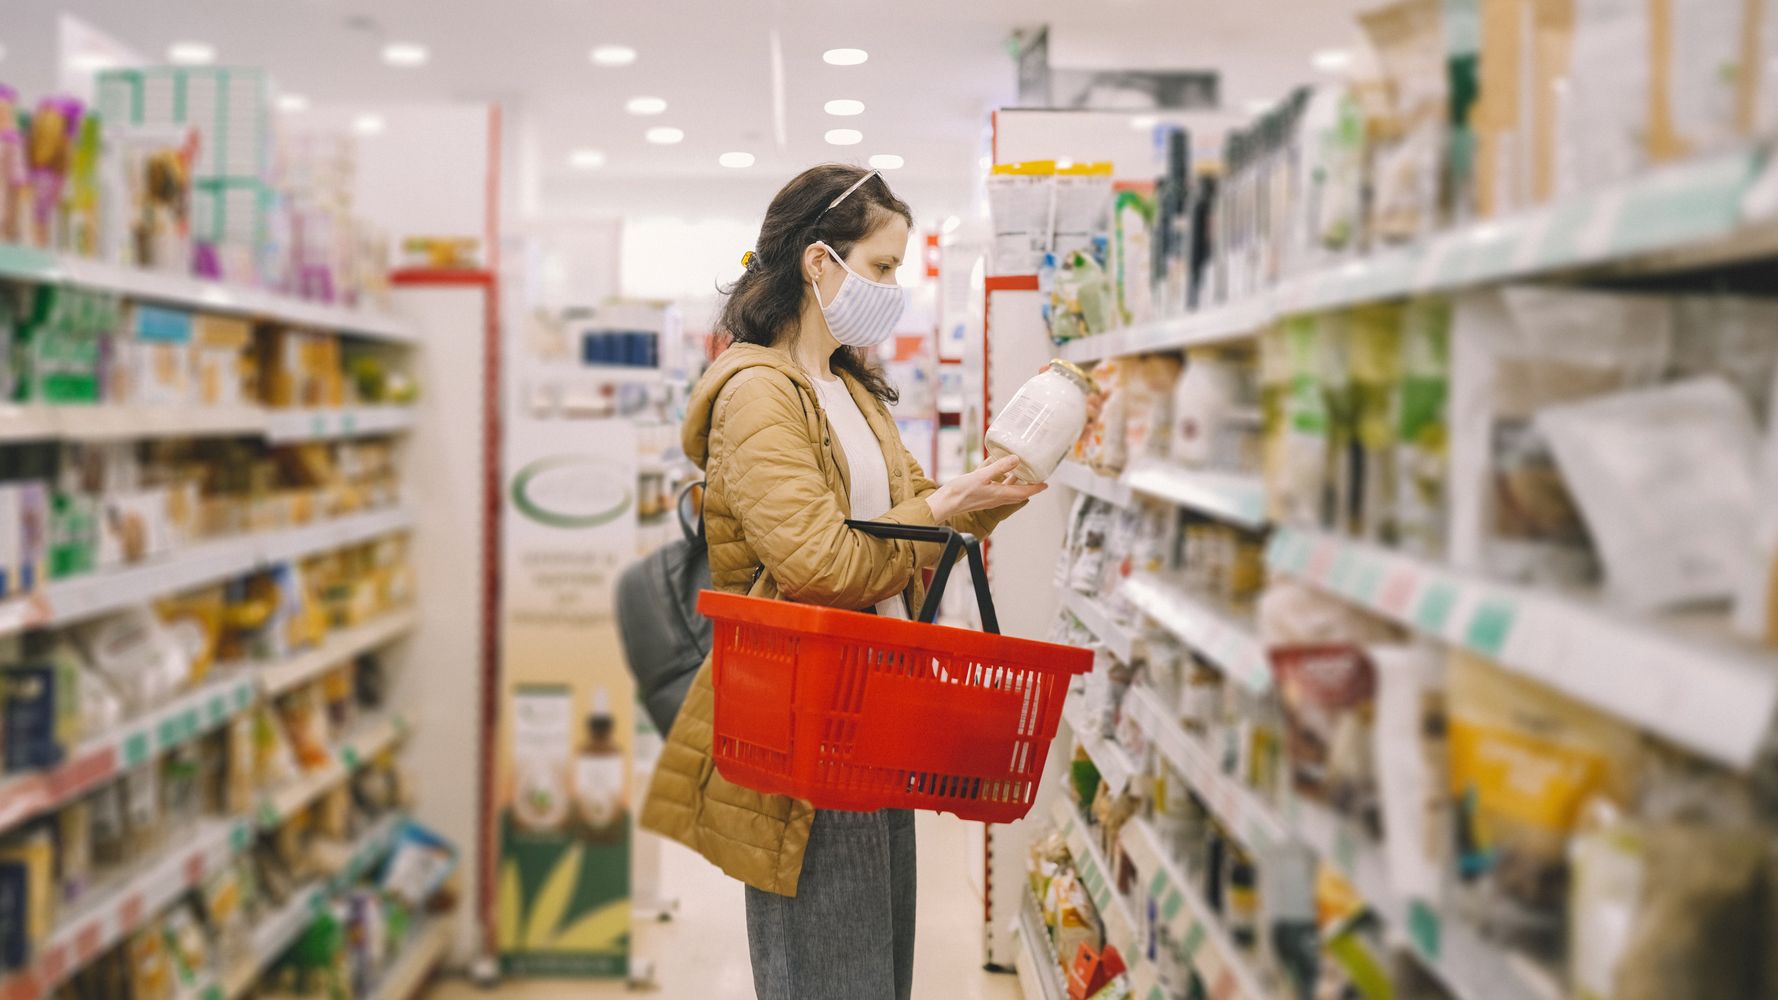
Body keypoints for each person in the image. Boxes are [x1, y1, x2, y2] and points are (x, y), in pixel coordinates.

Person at [638, 163, 1044, 1000]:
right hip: (805, 718)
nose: (894, 290)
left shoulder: (855, 390)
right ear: (819, 263)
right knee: (833, 972)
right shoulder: (758, 394)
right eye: (883, 267)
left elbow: (905, 528)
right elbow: (823, 567)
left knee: (875, 967)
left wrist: (973, 505)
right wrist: (937, 515)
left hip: (874, 705)